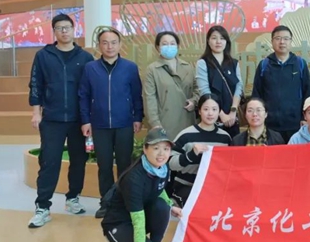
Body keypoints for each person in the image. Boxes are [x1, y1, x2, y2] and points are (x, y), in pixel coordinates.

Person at [27, 14, 94, 228]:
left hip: (79, 120)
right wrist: (36, 112)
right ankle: (42, 207)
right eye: (59, 28)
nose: (64, 31)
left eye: (67, 27)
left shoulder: (85, 57)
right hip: (52, 119)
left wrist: (89, 118)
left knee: (78, 161)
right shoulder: (43, 55)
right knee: (49, 161)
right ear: (54, 31)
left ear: (74, 29)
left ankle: (72, 198)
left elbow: (91, 90)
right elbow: (35, 84)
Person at [101, 128, 183, 242]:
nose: (161, 154)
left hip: (140, 217)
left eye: (166, 149)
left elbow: (159, 189)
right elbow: (138, 222)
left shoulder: (162, 168)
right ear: (145, 149)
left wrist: (171, 206)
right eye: (156, 148)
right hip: (119, 224)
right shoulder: (134, 179)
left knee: (162, 206)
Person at [80, 28, 144, 219]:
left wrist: (137, 117)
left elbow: (136, 95)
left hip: (124, 123)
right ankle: (106, 203)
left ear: (120, 44)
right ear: (99, 45)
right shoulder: (90, 68)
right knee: (104, 165)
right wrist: (85, 121)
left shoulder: (130, 67)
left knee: (125, 165)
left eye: (114, 42)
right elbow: (83, 96)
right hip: (99, 125)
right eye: (105, 42)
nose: (109, 46)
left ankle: (124, 203)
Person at [252, 25, 310, 142]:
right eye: (278, 38)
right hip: (270, 124)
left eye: (286, 38)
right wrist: (259, 117)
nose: (282, 42)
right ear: (272, 42)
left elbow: (308, 92)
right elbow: (257, 94)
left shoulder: (300, 64)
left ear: (291, 41)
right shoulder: (264, 65)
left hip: (295, 124)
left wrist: (305, 117)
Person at [169, 94, 232, 206]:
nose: (210, 113)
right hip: (187, 186)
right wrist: (191, 155)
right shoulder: (186, 135)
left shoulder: (225, 138)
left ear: (219, 112)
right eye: (206, 109)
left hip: (215, 188)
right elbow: (170, 163)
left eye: (214, 109)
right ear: (199, 111)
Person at [144, 31, 196, 140]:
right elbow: (149, 98)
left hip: (187, 120)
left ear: (177, 46)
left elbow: (197, 89)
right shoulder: (152, 69)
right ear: (157, 47)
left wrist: (194, 101)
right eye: (165, 44)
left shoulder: (188, 67)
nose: (169, 46)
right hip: (164, 122)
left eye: (172, 43)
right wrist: (155, 123)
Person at [196, 25, 243, 138]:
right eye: (214, 38)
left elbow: (239, 86)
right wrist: (220, 114)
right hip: (211, 116)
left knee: (233, 145)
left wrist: (233, 111)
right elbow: (204, 91)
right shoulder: (202, 63)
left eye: (222, 38)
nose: (218, 42)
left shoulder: (234, 63)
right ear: (208, 41)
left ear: (226, 42)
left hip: (232, 117)